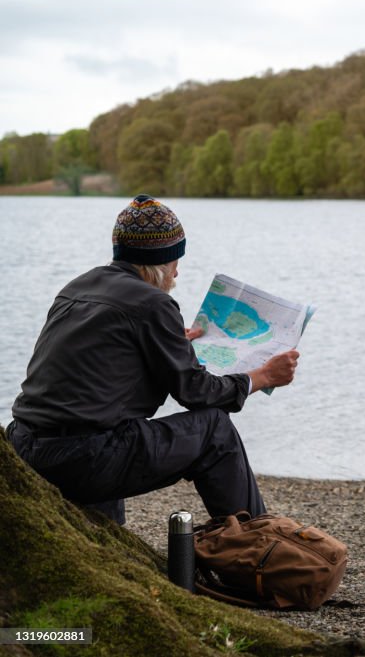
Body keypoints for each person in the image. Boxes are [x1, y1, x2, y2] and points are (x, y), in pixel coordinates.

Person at [6, 194, 299, 525]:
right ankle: (258, 547)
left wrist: (170, 344)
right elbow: (196, 393)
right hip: (81, 459)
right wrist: (261, 377)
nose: (177, 274)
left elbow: (95, 372)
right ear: (160, 262)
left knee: (110, 429)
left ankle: (108, 550)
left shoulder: (78, 286)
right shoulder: (153, 303)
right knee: (214, 430)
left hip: (25, 445)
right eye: (176, 261)